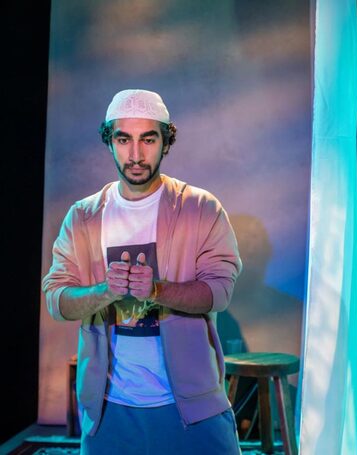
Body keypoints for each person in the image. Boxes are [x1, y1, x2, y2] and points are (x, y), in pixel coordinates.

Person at [42, 89, 243, 454]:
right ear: (109, 141)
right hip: (108, 409)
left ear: (166, 142)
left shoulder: (199, 208)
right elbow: (57, 300)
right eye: (123, 139)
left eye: (148, 139)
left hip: (193, 406)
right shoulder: (83, 216)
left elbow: (220, 291)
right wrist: (105, 291)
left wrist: (156, 290)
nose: (135, 154)